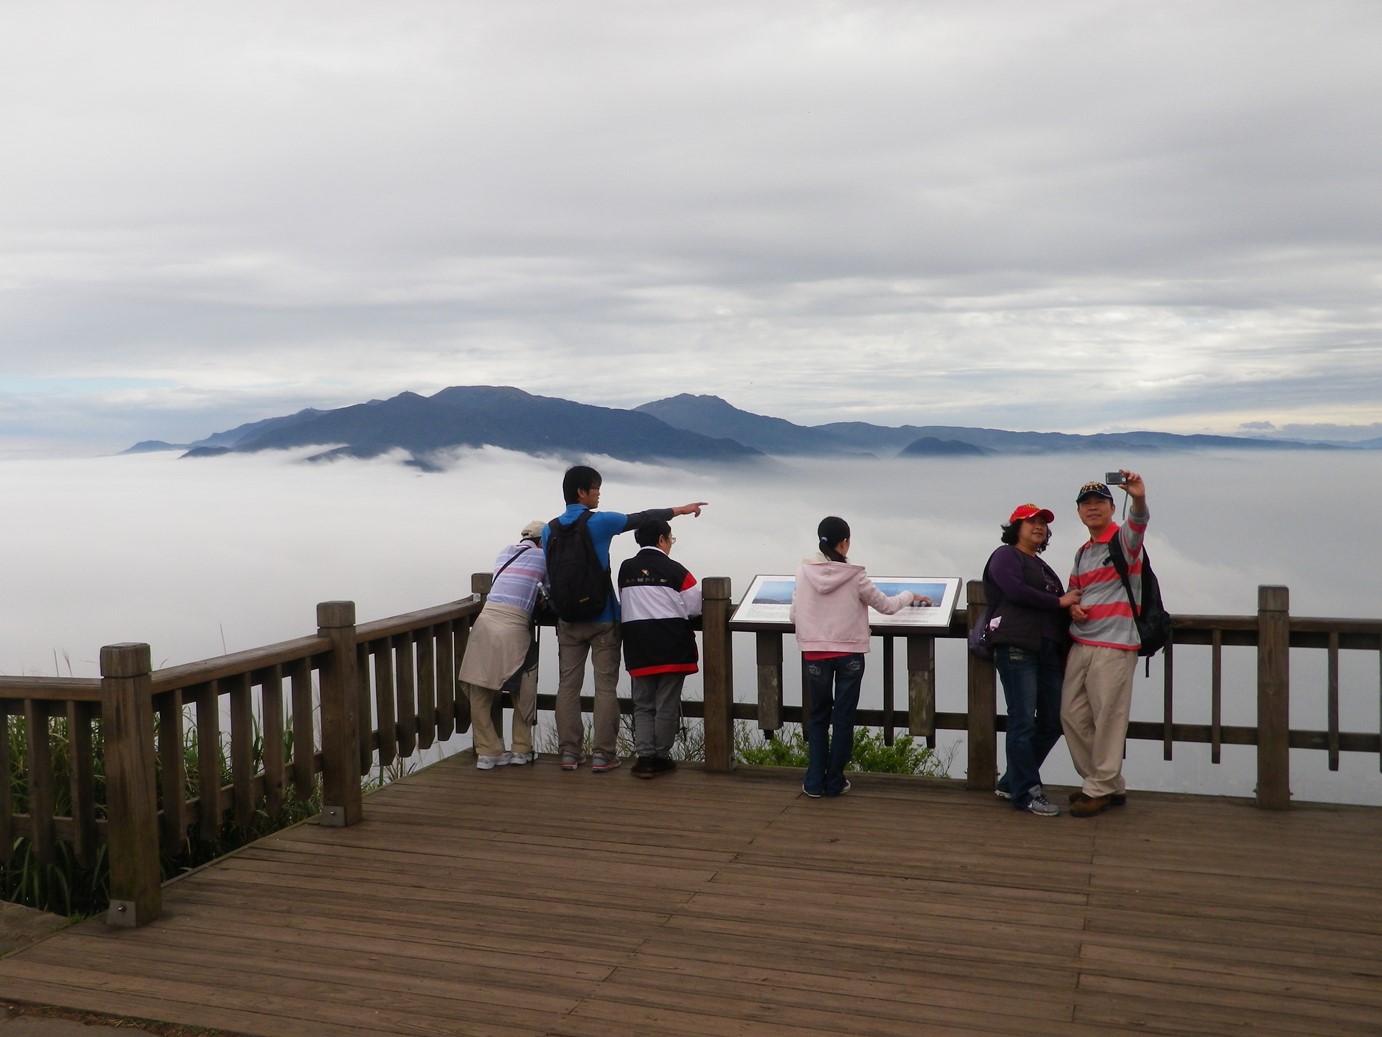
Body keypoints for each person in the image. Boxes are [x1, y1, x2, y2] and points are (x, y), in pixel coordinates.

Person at [543, 464, 707, 773]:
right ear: (582, 492)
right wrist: (680, 510)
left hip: (566, 619)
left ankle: (568, 753)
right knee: (605, 687)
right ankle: (603, 754)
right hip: (603, 617)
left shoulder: (549, 529)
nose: (599, 494)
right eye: (596, 489)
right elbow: (642, 518)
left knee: (568, 685)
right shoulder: (600, 522)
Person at [790, 516, 927, 798]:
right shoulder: (855, 575)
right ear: (844, 543)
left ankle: (814, 782)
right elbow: (887, 607)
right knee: (843, 717)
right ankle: (835, 781)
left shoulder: (803, 572)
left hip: (814, 653)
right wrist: (909, 594)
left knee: (818, 716)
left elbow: (794, 614)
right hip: (849, 653)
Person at [1061, 471, 1150, 817]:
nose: (1093, 507)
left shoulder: (1122, 542)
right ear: (1079, 512)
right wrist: (1074, 606)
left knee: (1109, 717)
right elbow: (1074, 592)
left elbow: (1138, 522)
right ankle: (1103, 782)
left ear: (1113, 508)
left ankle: (1099, 787)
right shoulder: (1083, 552)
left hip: (1115, 643)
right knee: (1071, 714)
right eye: (1086, 503)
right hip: (1082, 641)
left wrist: (1139, 497)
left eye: (1100, 502)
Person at [984, 504, 1082, 817]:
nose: (1038, 527)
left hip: (1047, 650)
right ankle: (1026, 791)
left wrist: (1069, 608)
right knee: (1023, 719)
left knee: (1053, 719)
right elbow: (1014, 591)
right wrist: (1058, 601)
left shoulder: (1043, 566)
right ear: (1015, 527)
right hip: (1016, 646)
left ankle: (1012, 781)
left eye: (1042, 523)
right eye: (1031, 522)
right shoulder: (1005, 556)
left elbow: (1059, 604)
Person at [457, 520, 549, 770]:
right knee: (524, 685)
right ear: (543, 541)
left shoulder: (504, 552)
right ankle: (521, 749)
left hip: (485, 622)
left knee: (480, 687)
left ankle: (488, 751)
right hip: (514, 625)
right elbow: (548, 592)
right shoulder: (544, 558)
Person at [617, 520, 702, 779]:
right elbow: (694, 607)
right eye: (671, 539)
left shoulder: (625, 569)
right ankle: (660, 758)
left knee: (642, 704)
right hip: (672, 645)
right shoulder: (676, 570)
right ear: (662, 539)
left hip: (638, 646)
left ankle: (644, 758)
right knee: (666, 703)